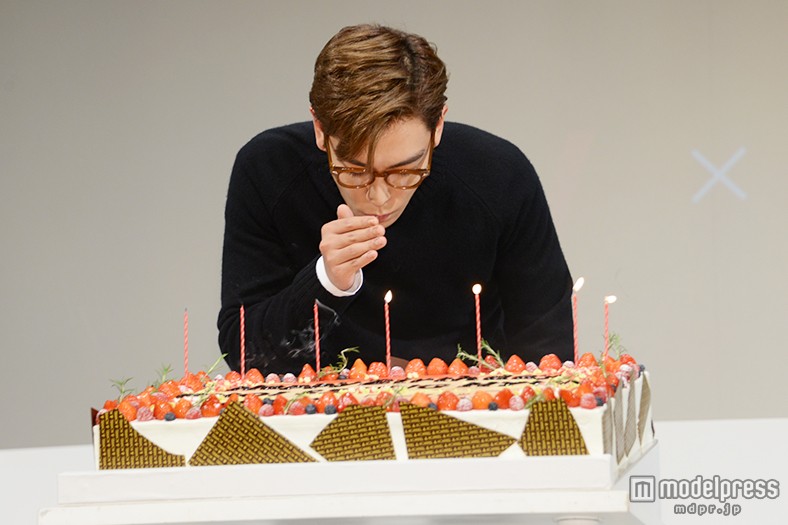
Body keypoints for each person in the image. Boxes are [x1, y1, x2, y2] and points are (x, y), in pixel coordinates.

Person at [218, 24, 573, 375]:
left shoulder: (499, 176)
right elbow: (244, 355)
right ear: (320, 130)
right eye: (354, 170)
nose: (379, 198)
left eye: (405, 170)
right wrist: (326, 281)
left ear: (437, 128)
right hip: (318, 408)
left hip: (473, 403)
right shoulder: (269, 171)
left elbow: (549, 353)